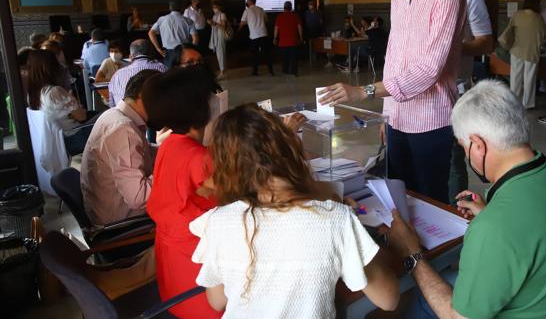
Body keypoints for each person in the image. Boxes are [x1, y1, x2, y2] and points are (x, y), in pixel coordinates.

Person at [389, 79, 546, 319]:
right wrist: (492, 212)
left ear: (478, 145)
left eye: (464, 146)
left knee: (421, 297)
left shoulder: (494, 228)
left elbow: (458, 317)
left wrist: (412, 254)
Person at [190, 104, 400, 317]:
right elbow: (388, 299)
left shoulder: (218, 221)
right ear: (291, 147)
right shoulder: (335, 219)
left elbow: (217, 301)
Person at [320, 0, 465, 204]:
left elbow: (430, 68)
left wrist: (364, 90)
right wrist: (389, 114)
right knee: (399, 196)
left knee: (428, 199)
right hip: (398, 118)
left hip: (430, 120)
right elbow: (395, 58)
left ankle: (427, 251)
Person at [144, 68, 218, 319]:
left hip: (175, 281)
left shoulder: (170, 145)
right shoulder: (201, 159)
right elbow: (240, 201)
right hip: (203, 290)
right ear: (199, 107)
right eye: (211, 96)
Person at [425, 0, 494, 202]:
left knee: (453, 157)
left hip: (456, 89)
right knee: (424, 156)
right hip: (420, 93)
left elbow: (486, 42)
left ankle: (457, 212)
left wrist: (451, 47)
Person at [81, 69, 161, 226]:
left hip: (107, 212)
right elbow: (140, 197)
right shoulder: (123, 129)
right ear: (144, 96)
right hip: (122, 226)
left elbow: (141, 152)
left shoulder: (113, 115)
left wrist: (169, 152)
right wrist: (173, 170)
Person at [26, 50, 99, 156]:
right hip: (74, 138)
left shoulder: (32, 95)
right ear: (51, 68)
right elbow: (82, 117)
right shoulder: (54, 91)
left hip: (58, 140)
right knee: (111, 115)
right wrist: (73, 99)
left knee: (97, 114)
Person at [506, 0, 546, 109]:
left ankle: (514, 103)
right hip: (532, 52)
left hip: (517, 50)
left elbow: (510, 30)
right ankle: (528, 104)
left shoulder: (517, 14)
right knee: (530, 79)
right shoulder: (538, 18)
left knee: (515, 78)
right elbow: (543, 35)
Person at [108, 39, 168, 107]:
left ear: (131, 56)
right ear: (152, 54)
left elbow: (112, 104)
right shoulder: (163, 69)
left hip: (121, 115)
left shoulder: (117, 75)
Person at [148, 1, 199, 67]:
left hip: (168, 52)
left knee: (170, 74)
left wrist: (158, 49)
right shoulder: (188, 20)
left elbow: (151, 33)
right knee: (185, 73)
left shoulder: (162, 19)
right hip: (184, 51)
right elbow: (196, 39)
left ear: (170, 8)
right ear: (181, 8)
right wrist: (191, 50)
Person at [240, 0, 273, 76]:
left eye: (247, 1)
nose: (246, 2)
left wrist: (244, 25)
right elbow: (266, 20)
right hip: (263, 33)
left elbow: (242, 23)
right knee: (267, 53)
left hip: (254, 35)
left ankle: (255, 71)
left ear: (250, 2)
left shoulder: (247, 11)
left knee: (254, 54)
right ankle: (271, 71)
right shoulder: (261, 9)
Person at [273, 1, 303, 76]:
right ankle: (294, 71)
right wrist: (301, 37)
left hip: (283, 42)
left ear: (284, 8)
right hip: (293, 41)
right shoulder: (295, 16)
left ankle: (285, 71)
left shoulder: (279, 17)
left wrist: (275, 38)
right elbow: (299, 28)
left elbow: (276, 29)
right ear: (291, 7)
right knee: (294, 58)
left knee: (284, 58)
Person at [207, 1, 232, 80]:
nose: (214, 9)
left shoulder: (222, 15)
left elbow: (223, 26)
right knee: (219, 54)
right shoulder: (215, 16)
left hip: (220, 36)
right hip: (216, 36)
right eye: (213, 7)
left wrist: (213, 23)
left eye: (215, 7)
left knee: (221, 53)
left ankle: (223, 72)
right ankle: (222, 71)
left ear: (219, 7)